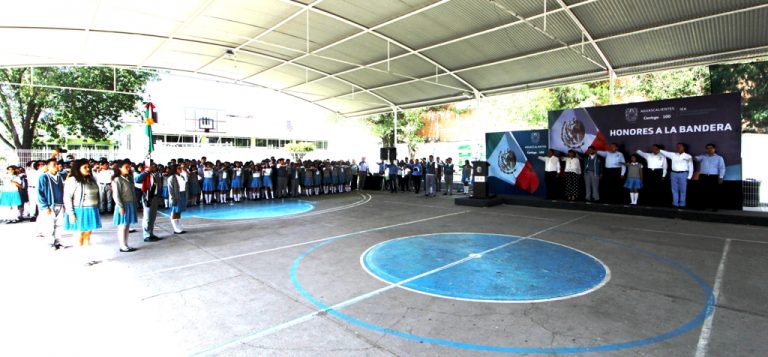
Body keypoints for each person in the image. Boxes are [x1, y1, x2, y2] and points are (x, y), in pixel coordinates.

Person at [63, 159, 102, 265]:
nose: (88, 169)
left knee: (88, 235)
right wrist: (71, 214)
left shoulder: (91, 179)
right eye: (84, 167)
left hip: (91, 209)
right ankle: (80, 258)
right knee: (79, 235)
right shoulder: (72, 180)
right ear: (77, 169)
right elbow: (67, 198)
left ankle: (88, 257)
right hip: (79, 210)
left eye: (88, 167)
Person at [38, 158, 67, 250]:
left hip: (60, 204)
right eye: (53, 165)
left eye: (57, 164)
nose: (56, 166)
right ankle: (50, 243)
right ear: (47, 166)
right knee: (49, 225)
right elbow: (40, 192)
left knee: (59, 224)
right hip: (50, 205)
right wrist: (45, 206)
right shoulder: (44, 177)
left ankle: (58, 242)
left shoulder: (61, 176)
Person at [135, 160, 164, 242]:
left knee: (153, 217)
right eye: (152, 165)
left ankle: (151, 233)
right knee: (147, 217)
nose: (154, 166)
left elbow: (158, 185)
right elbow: (137, 179)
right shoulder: (144, 174)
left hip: (155, 197)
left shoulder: (155, 174)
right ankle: (146, 235)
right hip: (147, 197)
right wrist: (147, 171)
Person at [112, 160, 138, 252]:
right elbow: (116, 195)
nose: (128, 168)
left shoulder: (128, 178)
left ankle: (126, 244)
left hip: (130, 203)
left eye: (129, 166)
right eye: (126, 167)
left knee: (127, 225)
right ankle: (122, 245)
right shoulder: (117, 179)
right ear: (119, 168)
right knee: (122, 225)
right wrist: (120, 206)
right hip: (123, 204)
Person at [660, 143, 693, 208]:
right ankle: (675, 203)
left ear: (684, 148)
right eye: (677, 147)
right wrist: (659, 150)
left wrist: (689, 177)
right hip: (673, 174)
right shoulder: (673, 155)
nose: (678, 148)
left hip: (683, 174)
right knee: (674, 189)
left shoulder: (688, 156)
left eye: (679, 147)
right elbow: (665, 153)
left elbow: (691, 167)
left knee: (683, 190)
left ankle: (682, 204)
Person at [694, 143, 726, 211]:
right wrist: (694, 157)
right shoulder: (703, 156)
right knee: (702, 192)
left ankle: (715, 207)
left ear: (714, 149)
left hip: (713, 177)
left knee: (714, 193)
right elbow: (697, 158)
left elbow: (722, 168)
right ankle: (702, 207)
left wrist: (721, 177)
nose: (709, 149)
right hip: (703, 176)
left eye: (711, 148)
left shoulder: (719, 158)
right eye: (707, 148)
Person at [167, 164, 186, 234]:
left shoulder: (181, 176)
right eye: (179, 168)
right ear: (175, 169)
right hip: (176, 195)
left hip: (182, 194)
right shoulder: (171, 178)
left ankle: (178, 226)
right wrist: (173, 198)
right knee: (174, 211)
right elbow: (171, 190)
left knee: (179, 211)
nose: (181, 169)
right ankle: (175, 228)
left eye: (180, 168)